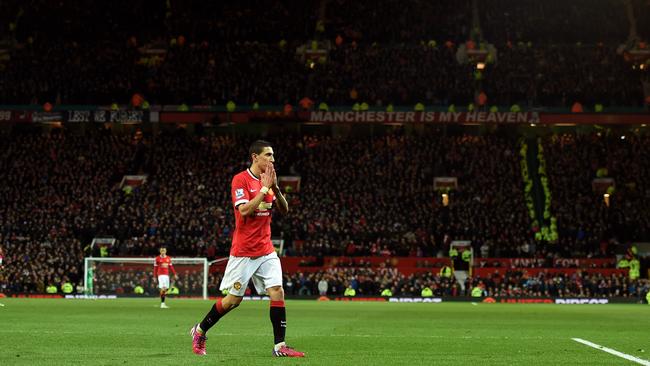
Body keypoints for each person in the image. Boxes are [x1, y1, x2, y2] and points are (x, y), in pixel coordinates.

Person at [190, 140, 304, 358]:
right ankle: (200, 330)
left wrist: (276, 188)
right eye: (268, 155)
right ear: (255, 157)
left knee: (277, 291)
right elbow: (244, 211)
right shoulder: (240, 180)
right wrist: (263, 188)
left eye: (273, 155)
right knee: (233, 301)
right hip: (244, 251)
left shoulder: (269, 181)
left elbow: (285, 210)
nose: (272, 159)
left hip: (266, 249)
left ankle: (280, 346)